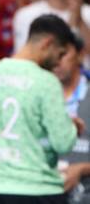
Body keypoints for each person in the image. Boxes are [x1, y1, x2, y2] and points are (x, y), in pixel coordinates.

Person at [0, 14, 83, 202]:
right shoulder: (45, 81)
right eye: (60, 54)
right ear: (48, 43)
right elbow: (63, 142)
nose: (58, 62)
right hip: (37, 188)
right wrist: (72, 127)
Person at [54, 32, 90, 201]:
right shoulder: (40, 98)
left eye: (63, 53)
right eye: (52, 55)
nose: (57, 61)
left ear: (80, 54)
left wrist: (82, 168)